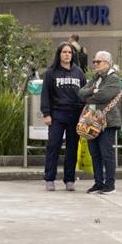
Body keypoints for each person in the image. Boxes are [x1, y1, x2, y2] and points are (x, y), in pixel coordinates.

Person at [41, 42, 86, 192]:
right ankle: (49, 179)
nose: (67, 55)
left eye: (70, 52)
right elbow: (45, 94)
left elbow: (84, 94)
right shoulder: (51, 72)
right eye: (64, 52)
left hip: (75, 116)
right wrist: (46, 114)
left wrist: (84, 115)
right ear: (59, 54)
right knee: (53, 147)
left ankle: (69, 179)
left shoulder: (79, 72)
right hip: (57, 115)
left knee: (72, 149)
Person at [79, 51, 122, 195]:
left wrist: (90, 96)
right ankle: (98, 183)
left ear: (108, 63)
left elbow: (105, 95)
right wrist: (93, 90)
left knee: (106, 153)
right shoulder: (95, 78)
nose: (95, 64)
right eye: (94, 61)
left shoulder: (113, 78)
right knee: (95, 154)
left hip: (107, 122)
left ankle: (110, 185)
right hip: (92, 121)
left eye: (99, 62)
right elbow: (80, 93)